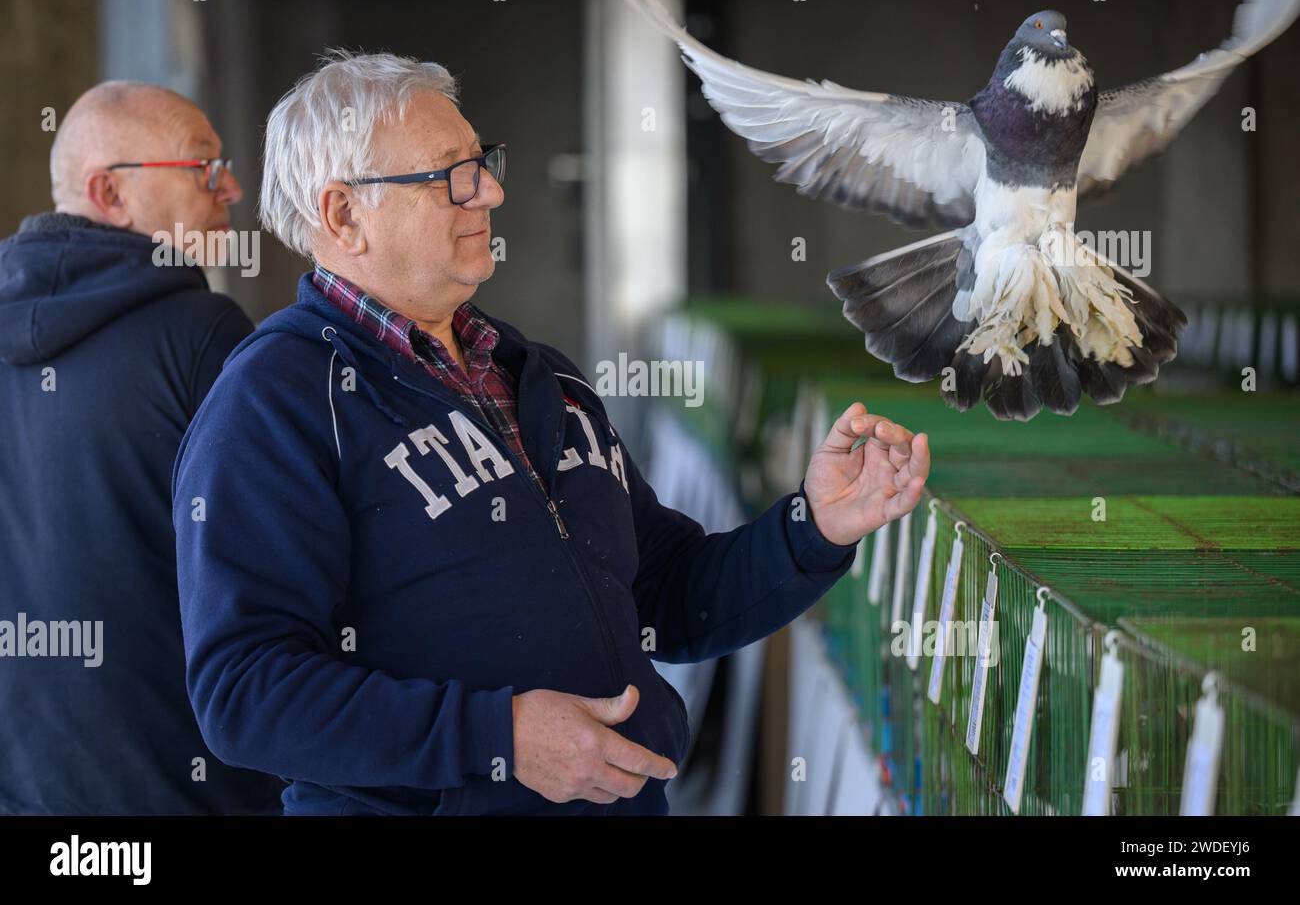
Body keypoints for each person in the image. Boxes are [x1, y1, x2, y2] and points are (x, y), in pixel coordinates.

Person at [172, 51, 931, 815]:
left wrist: (814, 525)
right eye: (452, 175)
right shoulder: (278, 400)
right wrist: (497, 738)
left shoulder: (538, 375)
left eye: (483, 164)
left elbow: (665, 594)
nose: (492, 192)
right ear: (343, 215)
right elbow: (245, 694)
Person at [0, 81, 282, 813]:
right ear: (110, 193)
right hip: (189, 786)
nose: (232, 189)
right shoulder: (201, 334)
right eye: (203, 168)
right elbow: (286, 566)